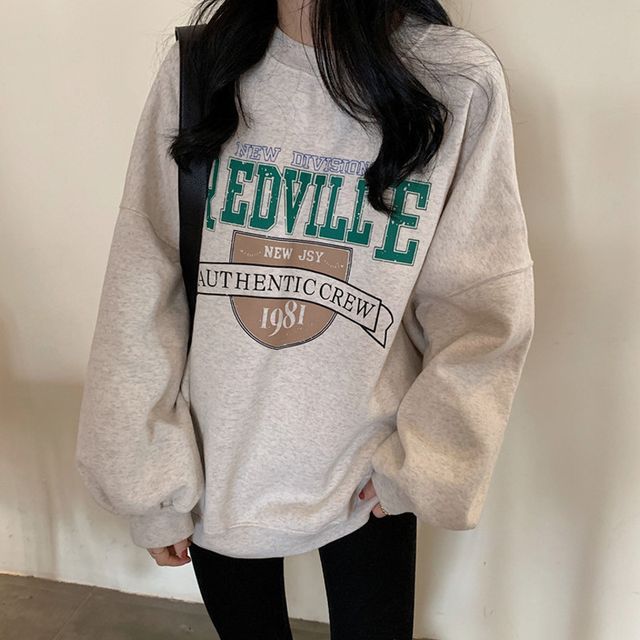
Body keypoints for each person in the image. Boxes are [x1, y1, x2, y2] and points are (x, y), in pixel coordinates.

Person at [75, 0, 535, 637]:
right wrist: (149, 485)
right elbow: (143, 280)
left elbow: (481, 307)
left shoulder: (453, 78)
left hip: (368, 469)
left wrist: (424, 464)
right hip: (214, 467)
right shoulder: (200, 69)